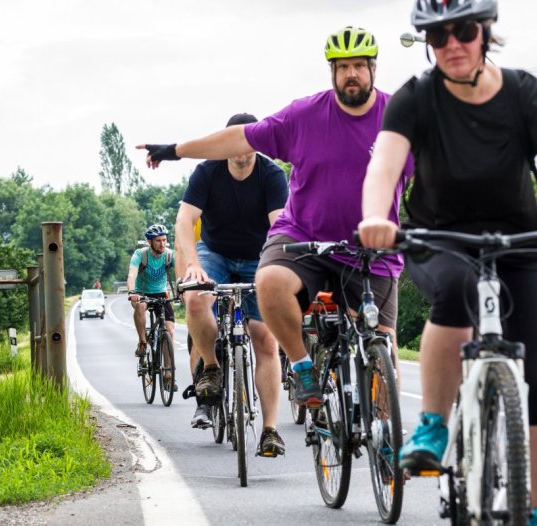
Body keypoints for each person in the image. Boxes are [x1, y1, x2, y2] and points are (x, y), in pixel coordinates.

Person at [357, 2, 537, 525]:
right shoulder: (416, 98)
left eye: (464, 31)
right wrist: (374, 217)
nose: (452, 44)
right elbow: (383, 165)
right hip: (441, 237)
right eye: (437, 36)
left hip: (518, 241)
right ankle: (434, 423)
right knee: (454, 288)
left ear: (485, 33)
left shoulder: (526, 93)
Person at [138, 26, 413, 409]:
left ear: (373, 70)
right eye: (343, 67)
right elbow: (240, 138)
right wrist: (175, 150)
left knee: (382, 340)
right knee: (268, 282)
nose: (351, 74)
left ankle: (388, 445)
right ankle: (302, 367)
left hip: (373, 247)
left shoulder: (399, 117)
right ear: (332, 72)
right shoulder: (304, 116)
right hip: (305, 239)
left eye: (359, 66)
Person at [174, 112, 289, 457]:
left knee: (266, 339)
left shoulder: (271, 175)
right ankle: (210, 367)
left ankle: (269, 430)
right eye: (234, 142)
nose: (241, 150)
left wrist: (274, 268)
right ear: (225, 144)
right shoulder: (207, 171)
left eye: (248, 141)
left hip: (259, 255)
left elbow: (278, 227)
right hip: (216, 254)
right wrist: (193, 264)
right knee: (195, 298)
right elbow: (185, 219)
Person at [126, 223, 178, 391]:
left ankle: (168, 373)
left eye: (164, 240)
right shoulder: (141, 255)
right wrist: (132, 291)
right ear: (149, 242)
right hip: (141, 293)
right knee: (140, 306)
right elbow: (132, 274)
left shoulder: (170, 255)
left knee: (169, 331)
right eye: (158, 241)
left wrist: (184, 289)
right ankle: (142, 342)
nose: (162, 244)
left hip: (161, 294)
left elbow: (181, 273)